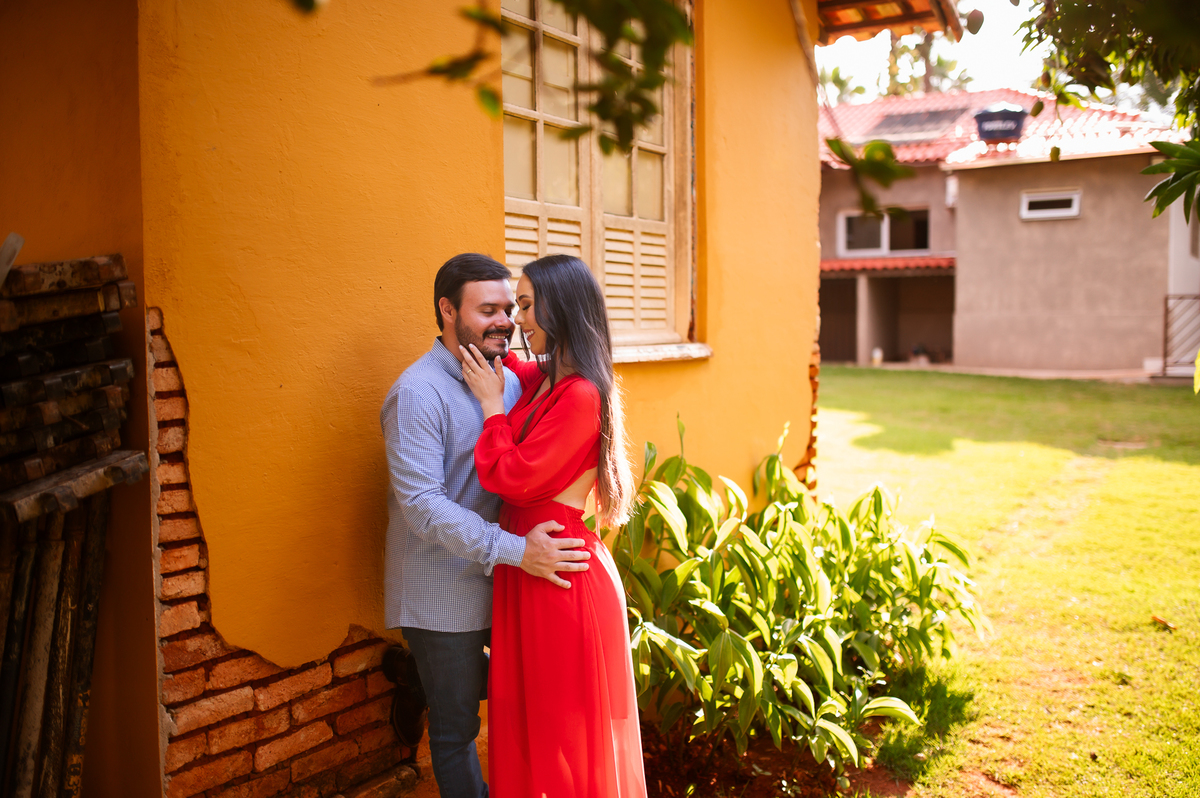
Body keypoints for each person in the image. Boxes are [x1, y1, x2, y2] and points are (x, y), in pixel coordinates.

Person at [381, 253, 594, 798]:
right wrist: (519, 550)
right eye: (489, 310)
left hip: (509, 581)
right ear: (447, 310)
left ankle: (419, 679)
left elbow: (570, 392)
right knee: (457, 732)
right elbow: (423, 506)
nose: (506, 321)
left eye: (512, 308)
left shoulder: (514, 379)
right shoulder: (418, 393)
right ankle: (425, 681)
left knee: (521, 700)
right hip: (442, 590)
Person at [459, 254, 648, 797]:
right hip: (532, 566)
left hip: (559, 578)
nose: (516, 320)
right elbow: (502, 361)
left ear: (560, 308)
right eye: (512, 306)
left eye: (523, 305)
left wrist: (494, 410)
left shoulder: (581, 394)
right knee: (530, 729)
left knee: (565, 739)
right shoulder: (546, 379)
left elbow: (512, 477)